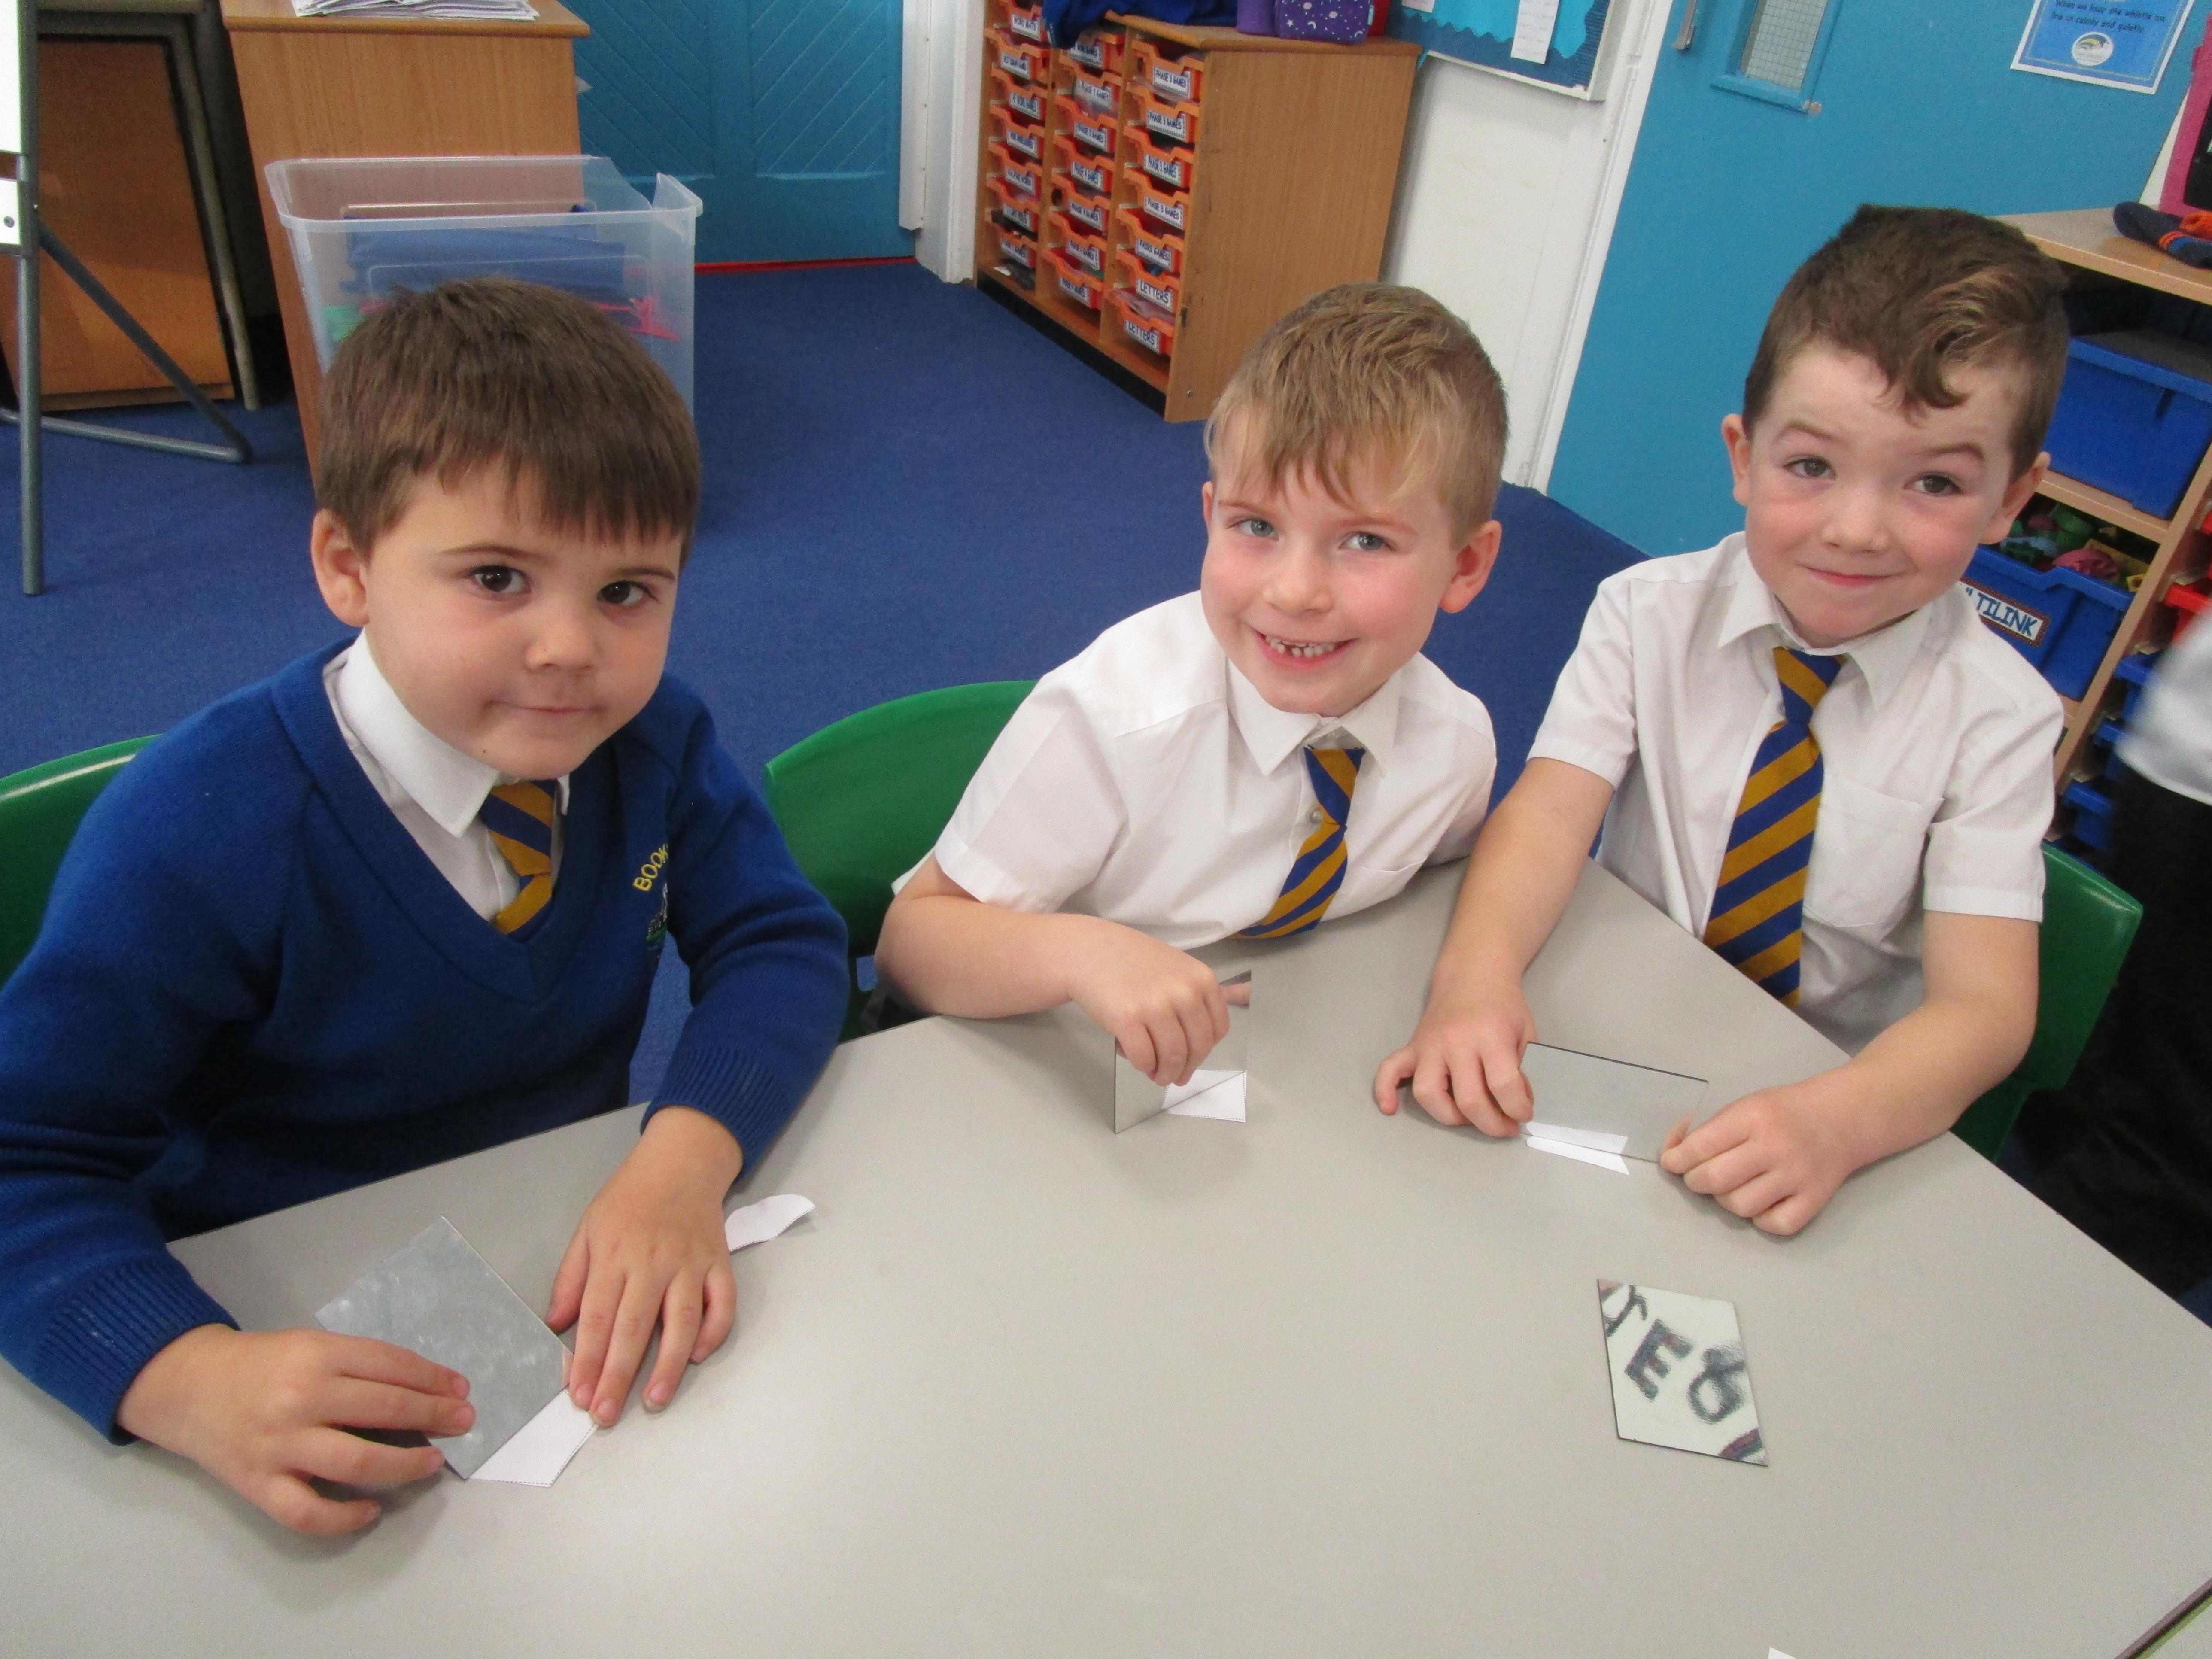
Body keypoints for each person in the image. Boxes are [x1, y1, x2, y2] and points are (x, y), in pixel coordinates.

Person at [0, 278, 848, 1534]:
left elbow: (778, 941)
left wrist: (683, 1160)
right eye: (498, 577)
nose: (570, 649)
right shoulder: (205, 826)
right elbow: (26, 1153)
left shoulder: (650, 741)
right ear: (348, 566)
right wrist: (181, 1375)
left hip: (556, 1237)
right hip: (271, 1296)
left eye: (627, 591)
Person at [1376, 205, 2067, 1235]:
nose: (1855, 529)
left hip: (1824, 1086)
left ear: (2012, 497)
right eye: (1810, 467)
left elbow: (1985, 1010)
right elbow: (1549, 816)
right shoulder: (1645, 613)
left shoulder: (2001, 717)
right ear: (1742, 455)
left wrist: (1838, 1122)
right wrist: (1473, 981)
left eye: (1934, 482)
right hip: (1619, 1026)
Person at [875, 284, 1506, 1085]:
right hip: (1049, 1060)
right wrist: (1084, 953)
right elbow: (911, 946)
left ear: (1465, 566)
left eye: (1366, 542)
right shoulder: (1113, 721)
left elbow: (1441, 908)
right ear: (1211, 516)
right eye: (1257, 526)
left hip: (1275, 1071)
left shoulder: (1456, 747)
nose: (1294, 592)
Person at [2023, 620, 2212, 1294]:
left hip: (2182, 762)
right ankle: (2033, 1308)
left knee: (2130, 1057)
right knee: (2178, 1152)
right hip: (2191, 779)